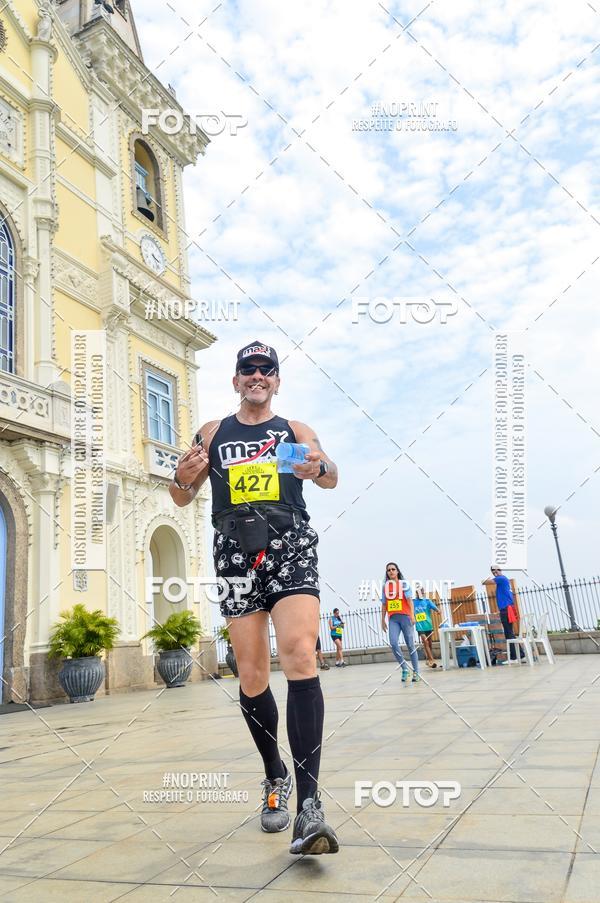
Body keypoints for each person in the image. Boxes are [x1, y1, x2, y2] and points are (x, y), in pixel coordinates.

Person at [170, 340, 339, 855]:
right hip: (233, 548)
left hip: (290, 543)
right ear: (236, 379)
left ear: (277, 381)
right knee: (251, 673)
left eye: (267, 369)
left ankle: (309, 806)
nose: (257, 376)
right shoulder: (213, 432)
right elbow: (180, 495)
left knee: (300, 654)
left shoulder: (295, 431)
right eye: (249, 369)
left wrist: (318, 468)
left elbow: (331, 477)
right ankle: (274, 776)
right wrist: (182, 478)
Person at [381, 562, 420, 682]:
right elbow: (384, 604)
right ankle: (404, 669)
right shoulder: (385, 587)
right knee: (393, 643)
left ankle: (416, 672)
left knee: (410, 645)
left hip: (406, 617)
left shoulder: (404, 584)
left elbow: (410, 601)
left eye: (393, 569)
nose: (391, 571)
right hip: (393, 619)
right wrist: (382, 620)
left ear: (397, 571)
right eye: (388, 570)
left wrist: (412, 616)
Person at [482, 566, 523, 661]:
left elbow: (485, 582)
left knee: (509, 633)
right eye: (493, 571)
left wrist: (485, 579)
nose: (494, 572)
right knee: (509, 633)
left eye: (496, 570)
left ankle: (516, 656)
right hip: (507, 609)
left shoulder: (501, 578)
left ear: (500, 570)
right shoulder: (502, 580)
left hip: (506, 609)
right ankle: (518, 655)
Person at [413, 587, 439, 668]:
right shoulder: (413, 602)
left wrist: (438, 611)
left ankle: (428, 660)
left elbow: (435, 608)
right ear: (416, 593)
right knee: (425, 642)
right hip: (419, 626)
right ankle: (432, 660)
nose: (420, 594)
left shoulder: (427, 601)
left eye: (421, 592)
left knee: (430, 644)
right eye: (418, 592)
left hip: (428, 625)